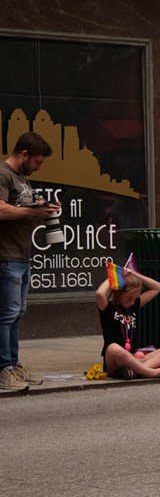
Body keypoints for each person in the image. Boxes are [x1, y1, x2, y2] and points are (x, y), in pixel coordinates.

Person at [0, 131, 60, 391]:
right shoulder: (3, 174)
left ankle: (13, 363)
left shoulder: (21, 178)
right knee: (7, 315)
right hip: (6, 256)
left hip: (22, 256)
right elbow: (1, 209)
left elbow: (22, 212)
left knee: (17, 313)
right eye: (37, 161)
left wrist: (43, 210)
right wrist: (32, 210)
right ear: (23, 154)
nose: (39, 166)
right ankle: (3, 368)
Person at [95, 266, 160, 379]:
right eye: (129, 298)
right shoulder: (108, 308)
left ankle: (135, 371)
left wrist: (134, 275)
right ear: (119, 293)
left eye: (135, 299)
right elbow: (99, 294)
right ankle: (152, 372)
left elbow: (158, 287)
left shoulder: (133, 307)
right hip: (115, 361)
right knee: (113, 347)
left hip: (136, 358)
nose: (132, 302)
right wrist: (115, 277)